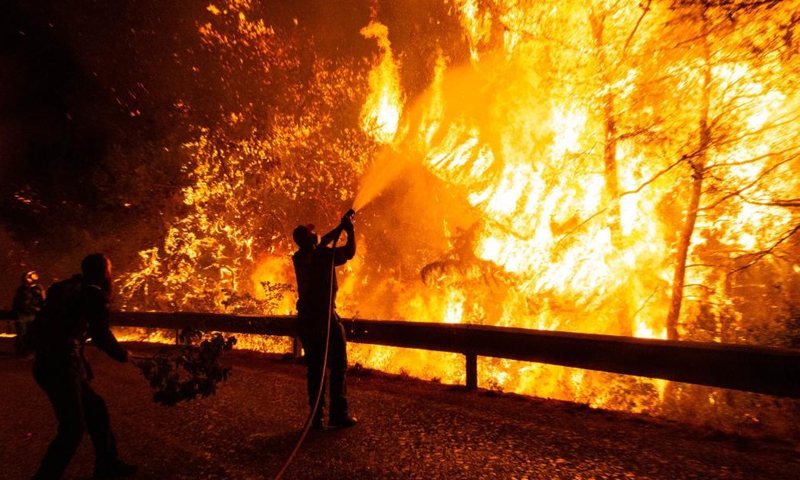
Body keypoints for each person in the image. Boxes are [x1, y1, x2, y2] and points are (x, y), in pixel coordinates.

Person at [28, 253, 136, 480]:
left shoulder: (71, 288)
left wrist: (81, 361)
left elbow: (68, 330)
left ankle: (107, 464)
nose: (111, 273)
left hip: (52, 362)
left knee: (96, 408)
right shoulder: (94, 295)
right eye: (109, 269)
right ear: (104, 273)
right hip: (61, 365)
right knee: (73, 427)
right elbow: (100, 333)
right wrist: (121, 354)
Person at [292, 210, 358, 430]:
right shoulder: (323, 256)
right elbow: (350, 252)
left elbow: (322, 242)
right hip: (327, 320)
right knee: (338, 366)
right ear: (310, 239)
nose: (315, 235)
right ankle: (339, 414)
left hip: (308, 322)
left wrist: (338, 228)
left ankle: (317, 417)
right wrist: (350, 230)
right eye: (312, 235)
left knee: (315, 370)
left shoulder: (300, 257)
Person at [12, 270, 45, 356]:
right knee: (22, 333)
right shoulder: (22, 289)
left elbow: (43, 300)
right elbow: (20, 302)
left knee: (33, 333)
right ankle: (22, 350)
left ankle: (30, 350)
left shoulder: (38, 288)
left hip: (33, 314)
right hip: (23, 314)